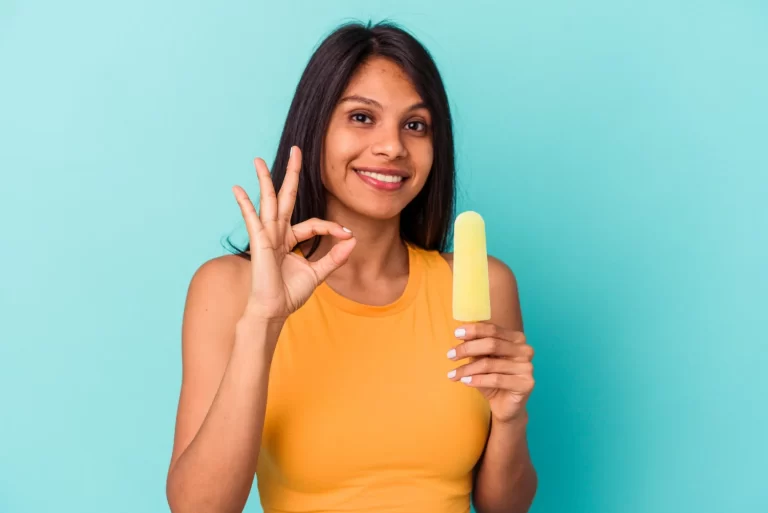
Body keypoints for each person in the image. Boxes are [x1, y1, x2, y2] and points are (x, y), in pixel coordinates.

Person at [166, 21, 537, 513]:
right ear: (314, 128)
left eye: (415, 124)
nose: (392, 147)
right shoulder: (229, 289)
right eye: (362, 117)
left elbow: (504, 508)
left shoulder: (486, 285)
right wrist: (264, 322)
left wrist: (511, 420)